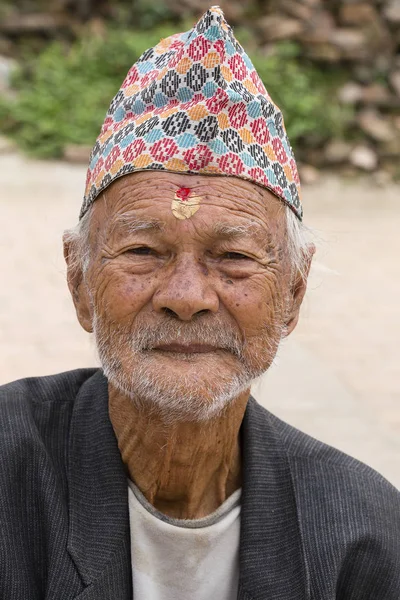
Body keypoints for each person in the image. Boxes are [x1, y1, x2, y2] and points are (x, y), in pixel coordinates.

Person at [0, 6, 399, 600]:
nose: (186, 298)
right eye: (143, 250)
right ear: (79, 281)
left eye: (233, 258)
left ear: (292, 291)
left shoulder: (365, 536)